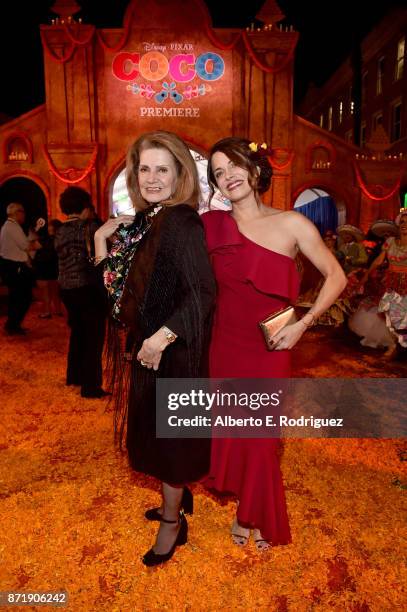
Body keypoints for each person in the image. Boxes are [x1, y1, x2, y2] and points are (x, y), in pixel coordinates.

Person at [202, 137, 347, 550]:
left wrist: (304, 323)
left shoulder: (292, 223)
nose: (227, 176)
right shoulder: (213, 226)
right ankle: (242, 507)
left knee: (262, 439)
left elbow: (336, 277)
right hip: (224, 345)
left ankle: (256, 514)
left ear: (253, 168)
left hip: (270, 347)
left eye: (233, 165)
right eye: (218, 172)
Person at [94, 131, 216, 566]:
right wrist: (100, 243)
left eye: (162, 169)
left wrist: (160, 338)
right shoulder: (149, 219)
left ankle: (172, 524)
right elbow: (119, 291)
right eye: (144, 168)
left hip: (174, 353)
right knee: (157, 434)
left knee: (171, 442)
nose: (151, 177)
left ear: (180, 173)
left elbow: (203, 292)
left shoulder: (182, 220)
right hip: (151, 350)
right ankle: (177, 504)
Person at [54, 187, 108, 398]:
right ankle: (91, 387)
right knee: (93, 338)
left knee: (77, 333)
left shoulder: (59, 230)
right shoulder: (88, 228)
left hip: (66, 289)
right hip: (87, 289)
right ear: (84, 205)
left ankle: (74, 375)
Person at [360, 211, 407, 359]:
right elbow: (379, 260)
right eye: (402, 222)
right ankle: (393, 345)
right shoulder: (390, 241)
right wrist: (367, 274)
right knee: (389, 315)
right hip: (391, 282)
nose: (405, 225)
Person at [0, 203, 40, 334]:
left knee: (17, 296)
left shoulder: (9, 226)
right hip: (15, 266)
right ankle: (12, 325)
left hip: (11, 265)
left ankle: (12, 325)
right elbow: (25, 246)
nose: (24, 214)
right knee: (23, 296)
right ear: (16, 213)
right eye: (22, 211)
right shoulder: (12, 227)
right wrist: (37, 244)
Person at [34, 218, 63, 318]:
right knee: (55, 291)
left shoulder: (44, 239)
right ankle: (58, 310)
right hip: (55, 266)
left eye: (50, 225)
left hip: (43, 266)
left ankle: (46, 312)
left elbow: (32, 247)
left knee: (45, 292)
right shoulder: (61, 239)